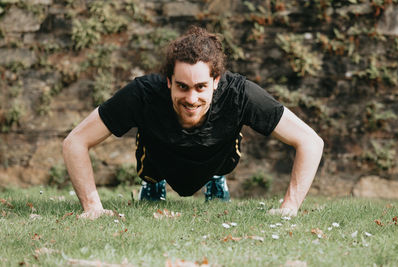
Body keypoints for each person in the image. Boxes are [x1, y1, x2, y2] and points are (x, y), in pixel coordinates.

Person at [62, 26, 324, 219]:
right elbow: (75, 142)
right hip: (158, 158)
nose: (192, 98)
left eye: (201, 87)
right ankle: (152, 183)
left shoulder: (240, 94)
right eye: (182, 87)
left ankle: (215, 178)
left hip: (218, 155)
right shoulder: (143, 94)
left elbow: (311, 142)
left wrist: (288, 208)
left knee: (221, 156)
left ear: (216, 81)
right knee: (151, 164)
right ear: (168, 81)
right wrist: (93, 207)